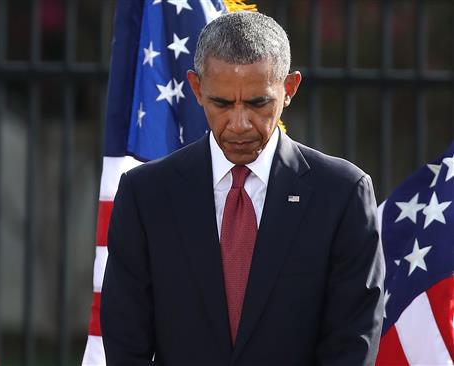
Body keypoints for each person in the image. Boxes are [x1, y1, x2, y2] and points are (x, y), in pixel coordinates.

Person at [100, 11, 385, 366]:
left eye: (257, 103)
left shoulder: (342, 194)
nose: (239, 123)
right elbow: (126, 339)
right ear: (197, 89)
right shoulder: (145, 194)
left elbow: (351, 342)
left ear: (289, 89)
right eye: (222, 103)